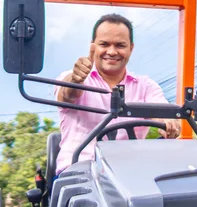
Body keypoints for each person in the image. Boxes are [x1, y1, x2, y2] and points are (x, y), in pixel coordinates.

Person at [54, 13, 182, 174]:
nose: (112, 51)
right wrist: (76, 79)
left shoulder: (145, 86)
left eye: (120, 45)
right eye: (104, 44)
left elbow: (161, 109)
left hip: (130, 178)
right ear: (93, 46)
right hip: (79, 174)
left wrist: (167, 120)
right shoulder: (75, 78)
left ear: (131, 48)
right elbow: (67, 93)